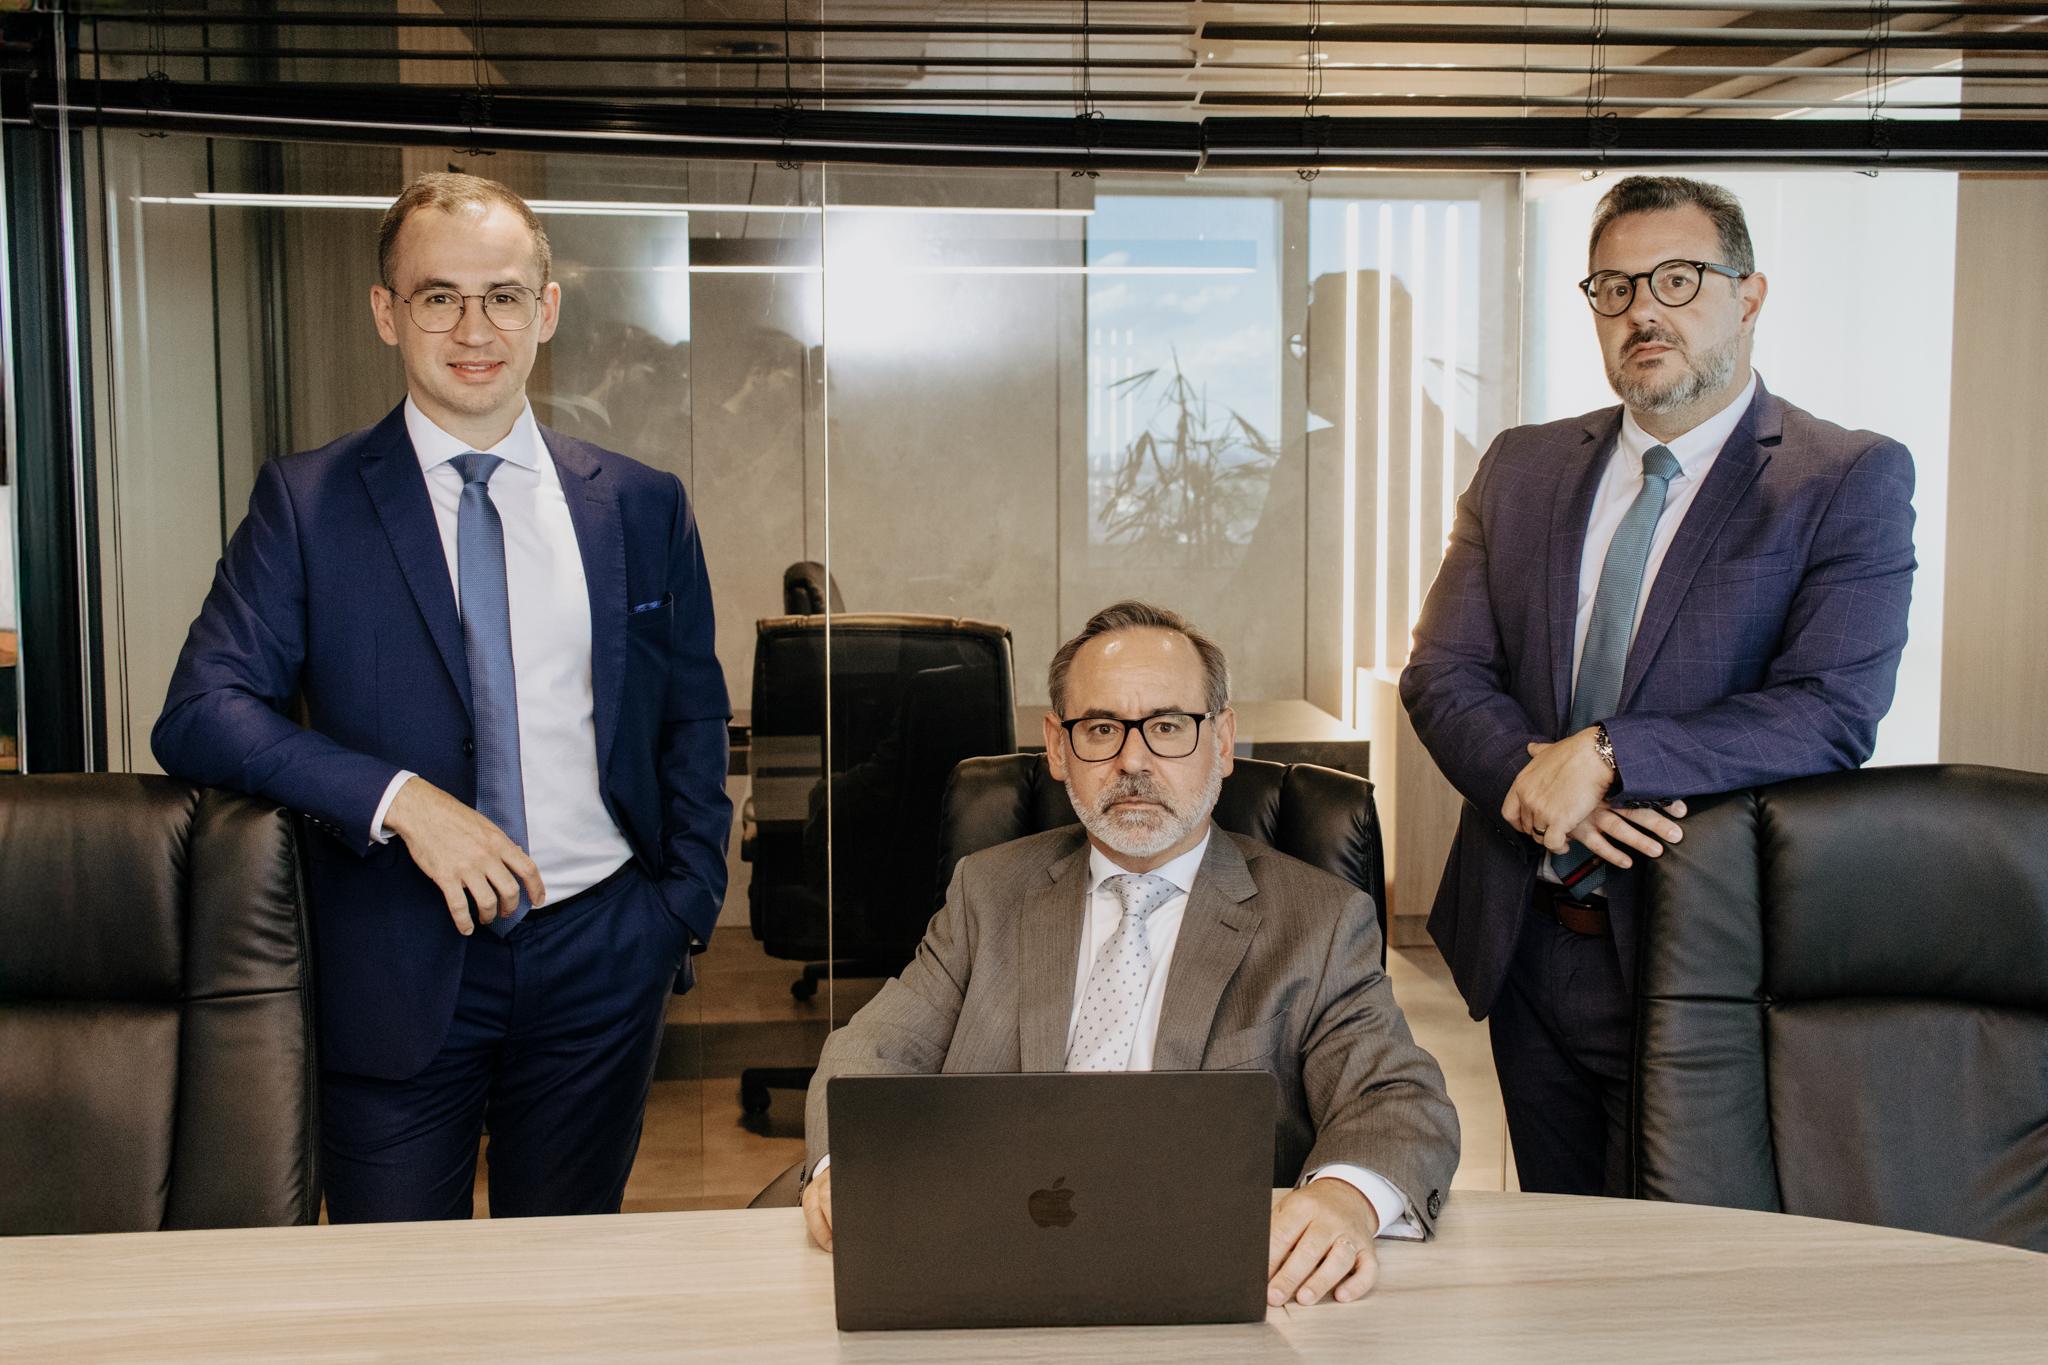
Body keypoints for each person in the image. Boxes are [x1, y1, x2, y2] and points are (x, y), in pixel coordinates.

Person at [152, 173, 731, 1222]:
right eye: (438, 297)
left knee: (565, 1281)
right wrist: (401, 800)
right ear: (387, 312)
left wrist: (679, 909)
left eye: (502, 296)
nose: (474, 329)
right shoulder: (307, 503)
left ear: (545, 311)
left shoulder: (641, 506)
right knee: (398, 1290)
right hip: (392, 959)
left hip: (602, 953)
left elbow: (689, 717)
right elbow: (202, 709)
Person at [1400, 175, 1916, 1197]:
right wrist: (1537, 787)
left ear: (1748, 295)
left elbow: (1829, 710)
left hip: (1704, 952)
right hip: (1526, 937)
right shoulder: (1521, 466)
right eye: (1615, 287)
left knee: (1683, 1256)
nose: (1642, 310)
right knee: (1555, 1239)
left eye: (1677, 280)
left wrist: (1606, 756)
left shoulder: (1841, 478)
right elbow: (1442, 670)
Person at [800, 600, 1459, 1309]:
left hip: (1206, 1282)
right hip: (993, 1268)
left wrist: (1344, 1197)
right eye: (1101, 729)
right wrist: (845, 1166)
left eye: (1168, 726)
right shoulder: (988, 893)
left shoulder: (1318, 922)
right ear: (1058, 748)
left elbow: (1398, 1098)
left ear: (1222, 741)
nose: (1133, 761)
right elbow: (869, 1053)